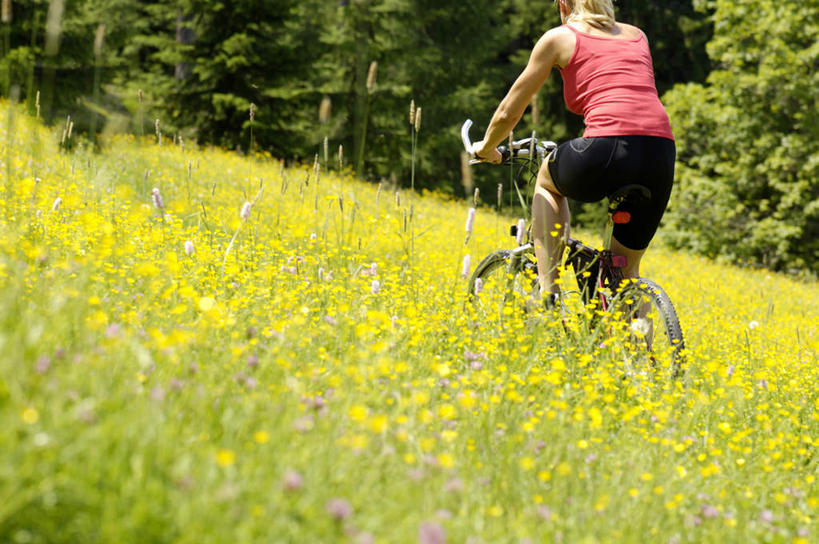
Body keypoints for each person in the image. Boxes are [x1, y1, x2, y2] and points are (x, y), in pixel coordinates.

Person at [472, 0, 675, 307]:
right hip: (660, 152)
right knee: (627, 274)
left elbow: (507, 113)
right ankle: (642, 355)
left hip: (606, 146)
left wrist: (487, 148)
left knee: (547, 180)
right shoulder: (637, 35)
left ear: (564, 4)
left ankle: (549, 291)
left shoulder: (560, 37)